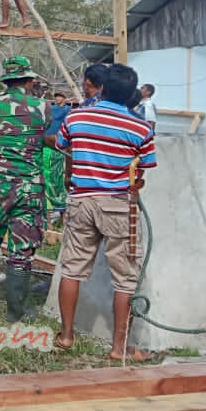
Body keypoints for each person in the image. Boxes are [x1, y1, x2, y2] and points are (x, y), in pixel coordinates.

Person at [52, 63, 157, 362]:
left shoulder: (77, 115)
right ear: (132, 94)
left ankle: (67, 336)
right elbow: (143, 172)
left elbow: (62, 145)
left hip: (81, 200)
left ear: (103, 87)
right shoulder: (140, 127)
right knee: (125, 279)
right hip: (118, 204)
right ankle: (119, 348)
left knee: (72, 269)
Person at [0, 56, 51, 322]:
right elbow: (44, 132)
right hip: (28, 188)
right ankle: (15, 313)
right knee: (21, 251)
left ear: (6, 79)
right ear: (28, 80)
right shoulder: (43, 107)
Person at [43, 92, 72, 225]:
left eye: (60, 96)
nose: (58, 98)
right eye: (56, 96)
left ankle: (62, 214)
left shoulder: (68, 110)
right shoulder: (49, 108)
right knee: (46, 178)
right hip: (46, 146)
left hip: (58, 147)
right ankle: (48, 218)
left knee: (57, 178)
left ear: (65, 98)